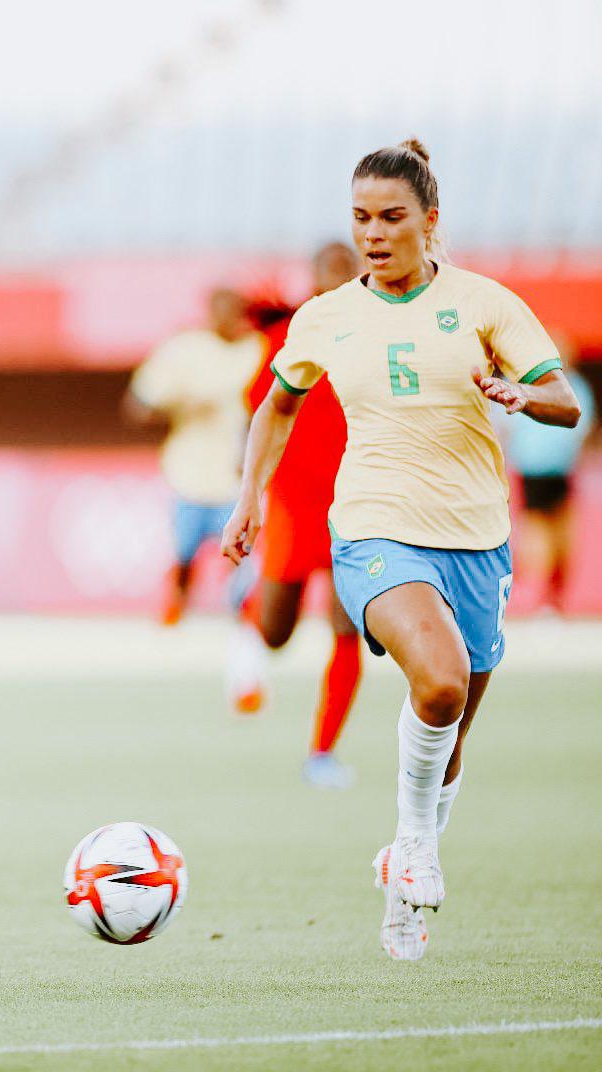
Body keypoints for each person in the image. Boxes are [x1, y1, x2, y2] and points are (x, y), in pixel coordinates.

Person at [223, 139, 580, 961]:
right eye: (361, 219)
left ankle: (406, 863)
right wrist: (249, 498)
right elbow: (278, 405)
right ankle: (415, 846)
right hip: (375, 526)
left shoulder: (486, 303)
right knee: (443, 681)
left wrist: (522, 394)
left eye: (391, 217)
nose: (374, 234)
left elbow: (562, 398)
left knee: (451, 732)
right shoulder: (326, 316)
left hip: (479, 537)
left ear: (430, 221)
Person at [237, 242, 365, 783]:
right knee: (275, 634)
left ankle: (322, 752)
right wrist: (250, 491)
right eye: (327, 272)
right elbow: (258, 412)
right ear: (311, 279)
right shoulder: (286, 337)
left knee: (346, 625)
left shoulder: (375, 335)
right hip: (293, 502)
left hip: (358, 504)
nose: (337, 280)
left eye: (346, 271)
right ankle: (244, 610)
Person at [126, 287, 263, 627]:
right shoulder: (183, 350)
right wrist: (179, 403)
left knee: (242, 556)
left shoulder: (256, 351)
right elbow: (138, 406)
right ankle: (179, 598)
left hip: (236, 482)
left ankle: (243, 613)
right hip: (188, 477)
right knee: (184, 553)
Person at [502, 352, 593, 613]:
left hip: (552, 466)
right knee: (542, 528)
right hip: (539, 466)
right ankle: (543, 594)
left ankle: (547, 594)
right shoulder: (568, 383)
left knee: (553, 527)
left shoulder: (567, 383)